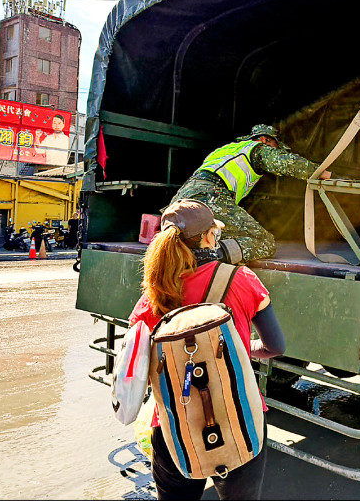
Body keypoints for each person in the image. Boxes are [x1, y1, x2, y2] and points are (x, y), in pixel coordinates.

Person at [129, 199, 286, 500]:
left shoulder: (154, 294)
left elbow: (134, 365)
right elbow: (275, 346)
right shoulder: (242, 279)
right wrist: (241, 349)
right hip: (240, 417)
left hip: (174, 428)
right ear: (208, 238)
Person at [167, 124, 330, 264]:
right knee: (264, 242)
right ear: (265, 140)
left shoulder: (226, 149)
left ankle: (185, 250)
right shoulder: (256, 148)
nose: (276, 150)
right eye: (275, 146)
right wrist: (320, 172)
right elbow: (287, 162)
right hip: (210, 195)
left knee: (207, 234)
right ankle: (208, 257)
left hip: (182, 197)